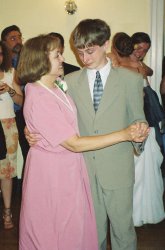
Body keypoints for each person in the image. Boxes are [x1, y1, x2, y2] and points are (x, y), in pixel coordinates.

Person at [17, 34, 148, 250]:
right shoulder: (54, 87)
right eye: (57, 54)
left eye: (89, 50)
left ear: (105, 45)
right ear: (41, 59)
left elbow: (59, 118)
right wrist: (125, 134)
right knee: (56, 229)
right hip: (57, 172)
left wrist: (32, 127)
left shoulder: (59, 85)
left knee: (82, 229)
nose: (64, 58)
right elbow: (69, 139)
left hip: (84, 169)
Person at [63, 19, 149, 250]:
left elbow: (137, 117)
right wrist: (33, 131)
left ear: (106, 44)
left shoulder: (131, 79)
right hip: (84, 171)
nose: (84, 58)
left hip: (118, 169)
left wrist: (140, 133)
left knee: (123, 231)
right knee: (93, 233)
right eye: (80, 52)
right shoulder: (69, 83)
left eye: (90, 51)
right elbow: (60, 120)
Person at [110, 32, 165, 226]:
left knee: (148, 166)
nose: (142, 52)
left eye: (145, 50)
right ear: (129, 46)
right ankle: (130, 213)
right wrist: (131, 64)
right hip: (131, 119)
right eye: (139, 48)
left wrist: (137, 64)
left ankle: (142, 211)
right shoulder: (117, 62)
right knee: (135, 169)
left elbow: (148, 72)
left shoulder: (139, 66)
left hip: (146, 118)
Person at [0, 41, 23, 229]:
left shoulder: (11, 73)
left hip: (8, 126)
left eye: (0, 53)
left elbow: (22, 101)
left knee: (7, 172)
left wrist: (10, 89)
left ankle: (7, 212)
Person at [1, 25, 29, 164]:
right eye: (13, 38)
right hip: (8, 115)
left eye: (19, 37)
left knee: (29, 151)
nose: (18, 41)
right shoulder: (4, 66)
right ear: (4, 43)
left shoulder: (28, 61)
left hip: (26, 112)